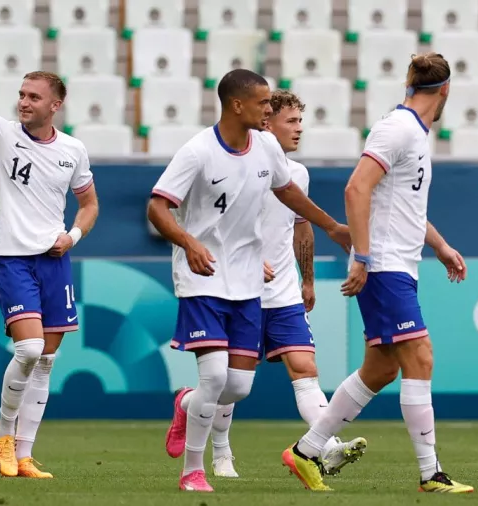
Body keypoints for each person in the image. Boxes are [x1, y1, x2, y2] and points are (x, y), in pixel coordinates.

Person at [148, 69, 351, 493]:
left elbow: (289, 193)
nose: (268, 109)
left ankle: (184, 404)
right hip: (202, 278)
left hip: (246, 285)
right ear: (237, 105)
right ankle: (193, 471)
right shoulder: (198, 152)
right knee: (216, 378)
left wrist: (331, 226)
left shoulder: (265, 148)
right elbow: (157, 208)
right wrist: (189, 243)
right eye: (263, 104)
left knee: (236, 386)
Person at [281, 53, 474, 494]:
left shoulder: (415, 135)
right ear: (445, 90)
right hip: (384, 264)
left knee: (381, 369)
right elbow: (356, 187)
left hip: (399, 263)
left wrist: (440, 246)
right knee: (420, 356)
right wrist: (364, 258)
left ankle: (307, 451)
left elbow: (403, 205)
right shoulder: (398, 128)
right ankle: (431, 474)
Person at [0, 15, 100, 479]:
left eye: (34, 97)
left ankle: (24, 455)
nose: (23, 103)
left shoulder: (73, 150)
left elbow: (89, 205)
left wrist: (73, 236)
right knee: (28, 351)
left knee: (46, 360)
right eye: (22, 95)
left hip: (55, 259)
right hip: (12, 258)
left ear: (56, 104)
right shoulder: (1, 133)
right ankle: (4, 437)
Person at [204, 90, 367, 479]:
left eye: (299, 121)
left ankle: (324, 448)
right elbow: (211, 224)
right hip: (237, 289)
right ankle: (221, 451)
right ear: (266, 122)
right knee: (231, 382)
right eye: (291, 121)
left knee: (304, 365)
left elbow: (300, 225)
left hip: (283, 290)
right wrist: (243, 259)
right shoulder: (233, 166)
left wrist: (306, 279)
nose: (299, 129)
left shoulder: (298, 174)